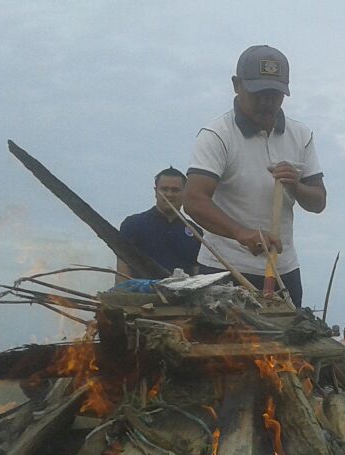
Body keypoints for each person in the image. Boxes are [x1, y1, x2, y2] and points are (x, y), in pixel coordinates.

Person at [185, 45, 326, 307]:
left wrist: (296, 185)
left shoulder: (301, 136)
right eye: (259, 93)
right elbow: (193, 200)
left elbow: (318, 202)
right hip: (225, 269)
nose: (266, 102)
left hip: (283, 271)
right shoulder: (217, 134)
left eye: (274, 94)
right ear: (237, 85)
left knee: (286, 346)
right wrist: (242, 233)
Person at [117, 167, 202, 281]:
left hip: (181, 297)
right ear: (156, 192)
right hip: (141, 296)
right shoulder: (133, 225)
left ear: (184, 193)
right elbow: (122, 269)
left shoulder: (195, 232)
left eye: (175, 190)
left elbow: (196, 274)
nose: (169, 194)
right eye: (164, 189)